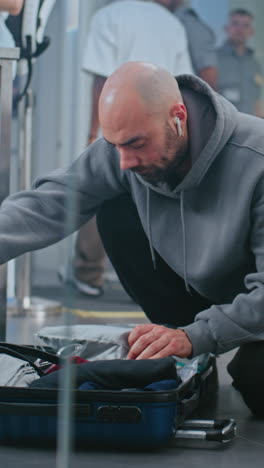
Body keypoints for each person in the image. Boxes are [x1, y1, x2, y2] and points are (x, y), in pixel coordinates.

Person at [1, 61, 264, 416]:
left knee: (257, 381)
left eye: (136, 144)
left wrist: (199, 335)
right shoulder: (125, 146)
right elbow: (49, 203)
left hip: (255, 295)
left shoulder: (256, 160)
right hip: (200, 292)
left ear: (178, 117)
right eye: (115, 145)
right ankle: (180, 347)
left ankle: (196, 342)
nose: (123, 161)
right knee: (113, 201)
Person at [72, 0, 193, 296]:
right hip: (160, 125)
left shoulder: (110, 16)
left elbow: (102, 80)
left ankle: (89, 275)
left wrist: (94, 131)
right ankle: (161, 281)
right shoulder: (171, 23)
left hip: (120, 123)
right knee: (161, 196)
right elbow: (183, 84)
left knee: (98, 192)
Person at [217, 9, 264, 116]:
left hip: (251, 126)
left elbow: (257, 101)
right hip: (224, 125)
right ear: (226, 28)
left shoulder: (255, 65)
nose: (240, 29)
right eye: (235, 23)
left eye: (245, 25)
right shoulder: (213, 59)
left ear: (252, 31)